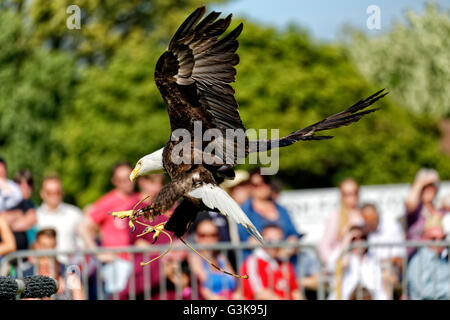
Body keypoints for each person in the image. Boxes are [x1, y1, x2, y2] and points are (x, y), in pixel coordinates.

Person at [78, 162, 140, 296]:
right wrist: (97, 252)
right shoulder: (108, 201)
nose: (127, 182)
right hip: (116, 264)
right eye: (121, 179)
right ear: (114, 181)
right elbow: (82, 227)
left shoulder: (140, 199)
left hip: (137, 262)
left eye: (129, 177)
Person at [238, 169, 301, 258]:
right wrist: (274, 250)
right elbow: (247, 239)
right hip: (256, 264)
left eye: (265, 182)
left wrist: (287, 249)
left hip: (285, 264)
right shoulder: (244, 211)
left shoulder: (282, 210)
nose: (262, 186)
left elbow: (293, 235)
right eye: (256, 185)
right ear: (250, 187)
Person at [326, 219, 389, 300]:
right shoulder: (341, 254)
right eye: (354, 238)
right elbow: (342, 264)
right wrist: (346, 243)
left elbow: (379, 288)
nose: (359, 241)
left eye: (362, 237)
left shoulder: (372, 259)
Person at [241, 223, 302, 300]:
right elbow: (260, 294)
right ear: (261, 240)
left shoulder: (284, 262)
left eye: (279, 241)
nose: (275, 245)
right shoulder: (253, 262)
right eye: (270, 241)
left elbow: (295, 291)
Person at [22, 228, 86, 300]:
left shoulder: (69, 271)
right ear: (36, 246)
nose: (48, 251)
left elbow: (79, 296)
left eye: (51, 247)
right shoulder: (26, 271)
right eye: (44, 246)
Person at [189, 215, 239, 300]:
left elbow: (235, 284)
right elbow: (202, 288)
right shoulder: (195, 258)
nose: (209, 239)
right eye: (203, 235)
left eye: (213, 235)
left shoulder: (222, 258)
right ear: (196, 237)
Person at [36, 175, 84, 263]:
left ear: (62, 192)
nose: (54, 195)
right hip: (43, 272)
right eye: (49, 192)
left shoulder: (75, 214)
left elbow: (82, 243)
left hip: (71, 269)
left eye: (57, 192)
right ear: (42, 193)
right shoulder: (35, 216)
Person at [319, 178, 364, 266]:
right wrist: (333, 263)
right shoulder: (335, 217)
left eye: (354, 193)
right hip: (344, 266)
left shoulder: (364, 214)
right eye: (346, 194)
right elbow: (324, 245)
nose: (351, 197)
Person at [361, 203, 405, 287]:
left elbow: (399, 257)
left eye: (372, 220)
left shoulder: (392, 226)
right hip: (368, 269)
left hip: (388, 269)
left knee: (386, 276)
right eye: (367, 221)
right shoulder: (362, 230)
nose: (370, 223)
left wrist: (382, 263)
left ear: (377, 215)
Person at [407, 215, 449, 300]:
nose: (439, 243)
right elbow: (423, 290)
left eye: (442, 238)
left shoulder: (444, 260)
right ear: (424, 238)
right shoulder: (418, 261)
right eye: (433, 239)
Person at [405, 168, 441, 258]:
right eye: (426, 187)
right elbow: (410, 202)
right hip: (417, 259)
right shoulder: (415, 210)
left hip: (438, 259)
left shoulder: (440, 210)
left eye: (432, 186)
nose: (429, 190)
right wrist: (421, 182)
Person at [2, 170, 37, 250]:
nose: (25, 187)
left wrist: (5, 226)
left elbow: (30, 220)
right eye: (19, 183)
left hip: (27, 256)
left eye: (29, 183)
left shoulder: (32, 206)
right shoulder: (6, 204)